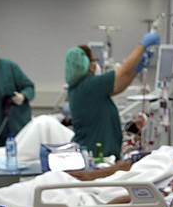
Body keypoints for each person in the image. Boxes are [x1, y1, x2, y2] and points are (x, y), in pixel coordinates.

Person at [64, 30, 160, 161]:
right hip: (97, 155)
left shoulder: (80, 87)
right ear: (86, 64)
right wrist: (142, 45)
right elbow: (123, 71)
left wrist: (136, 69)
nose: (96, 63)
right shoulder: (89, 85)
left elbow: (119, 86)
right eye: (94, 60)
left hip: (98, 153)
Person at [68, 123, 173, 203]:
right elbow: (129, 164)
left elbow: (163, 194)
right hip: (111, 181)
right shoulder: (169, 150)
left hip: (121, 193)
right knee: (57, 179)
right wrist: (92, 175)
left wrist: (119, 201)